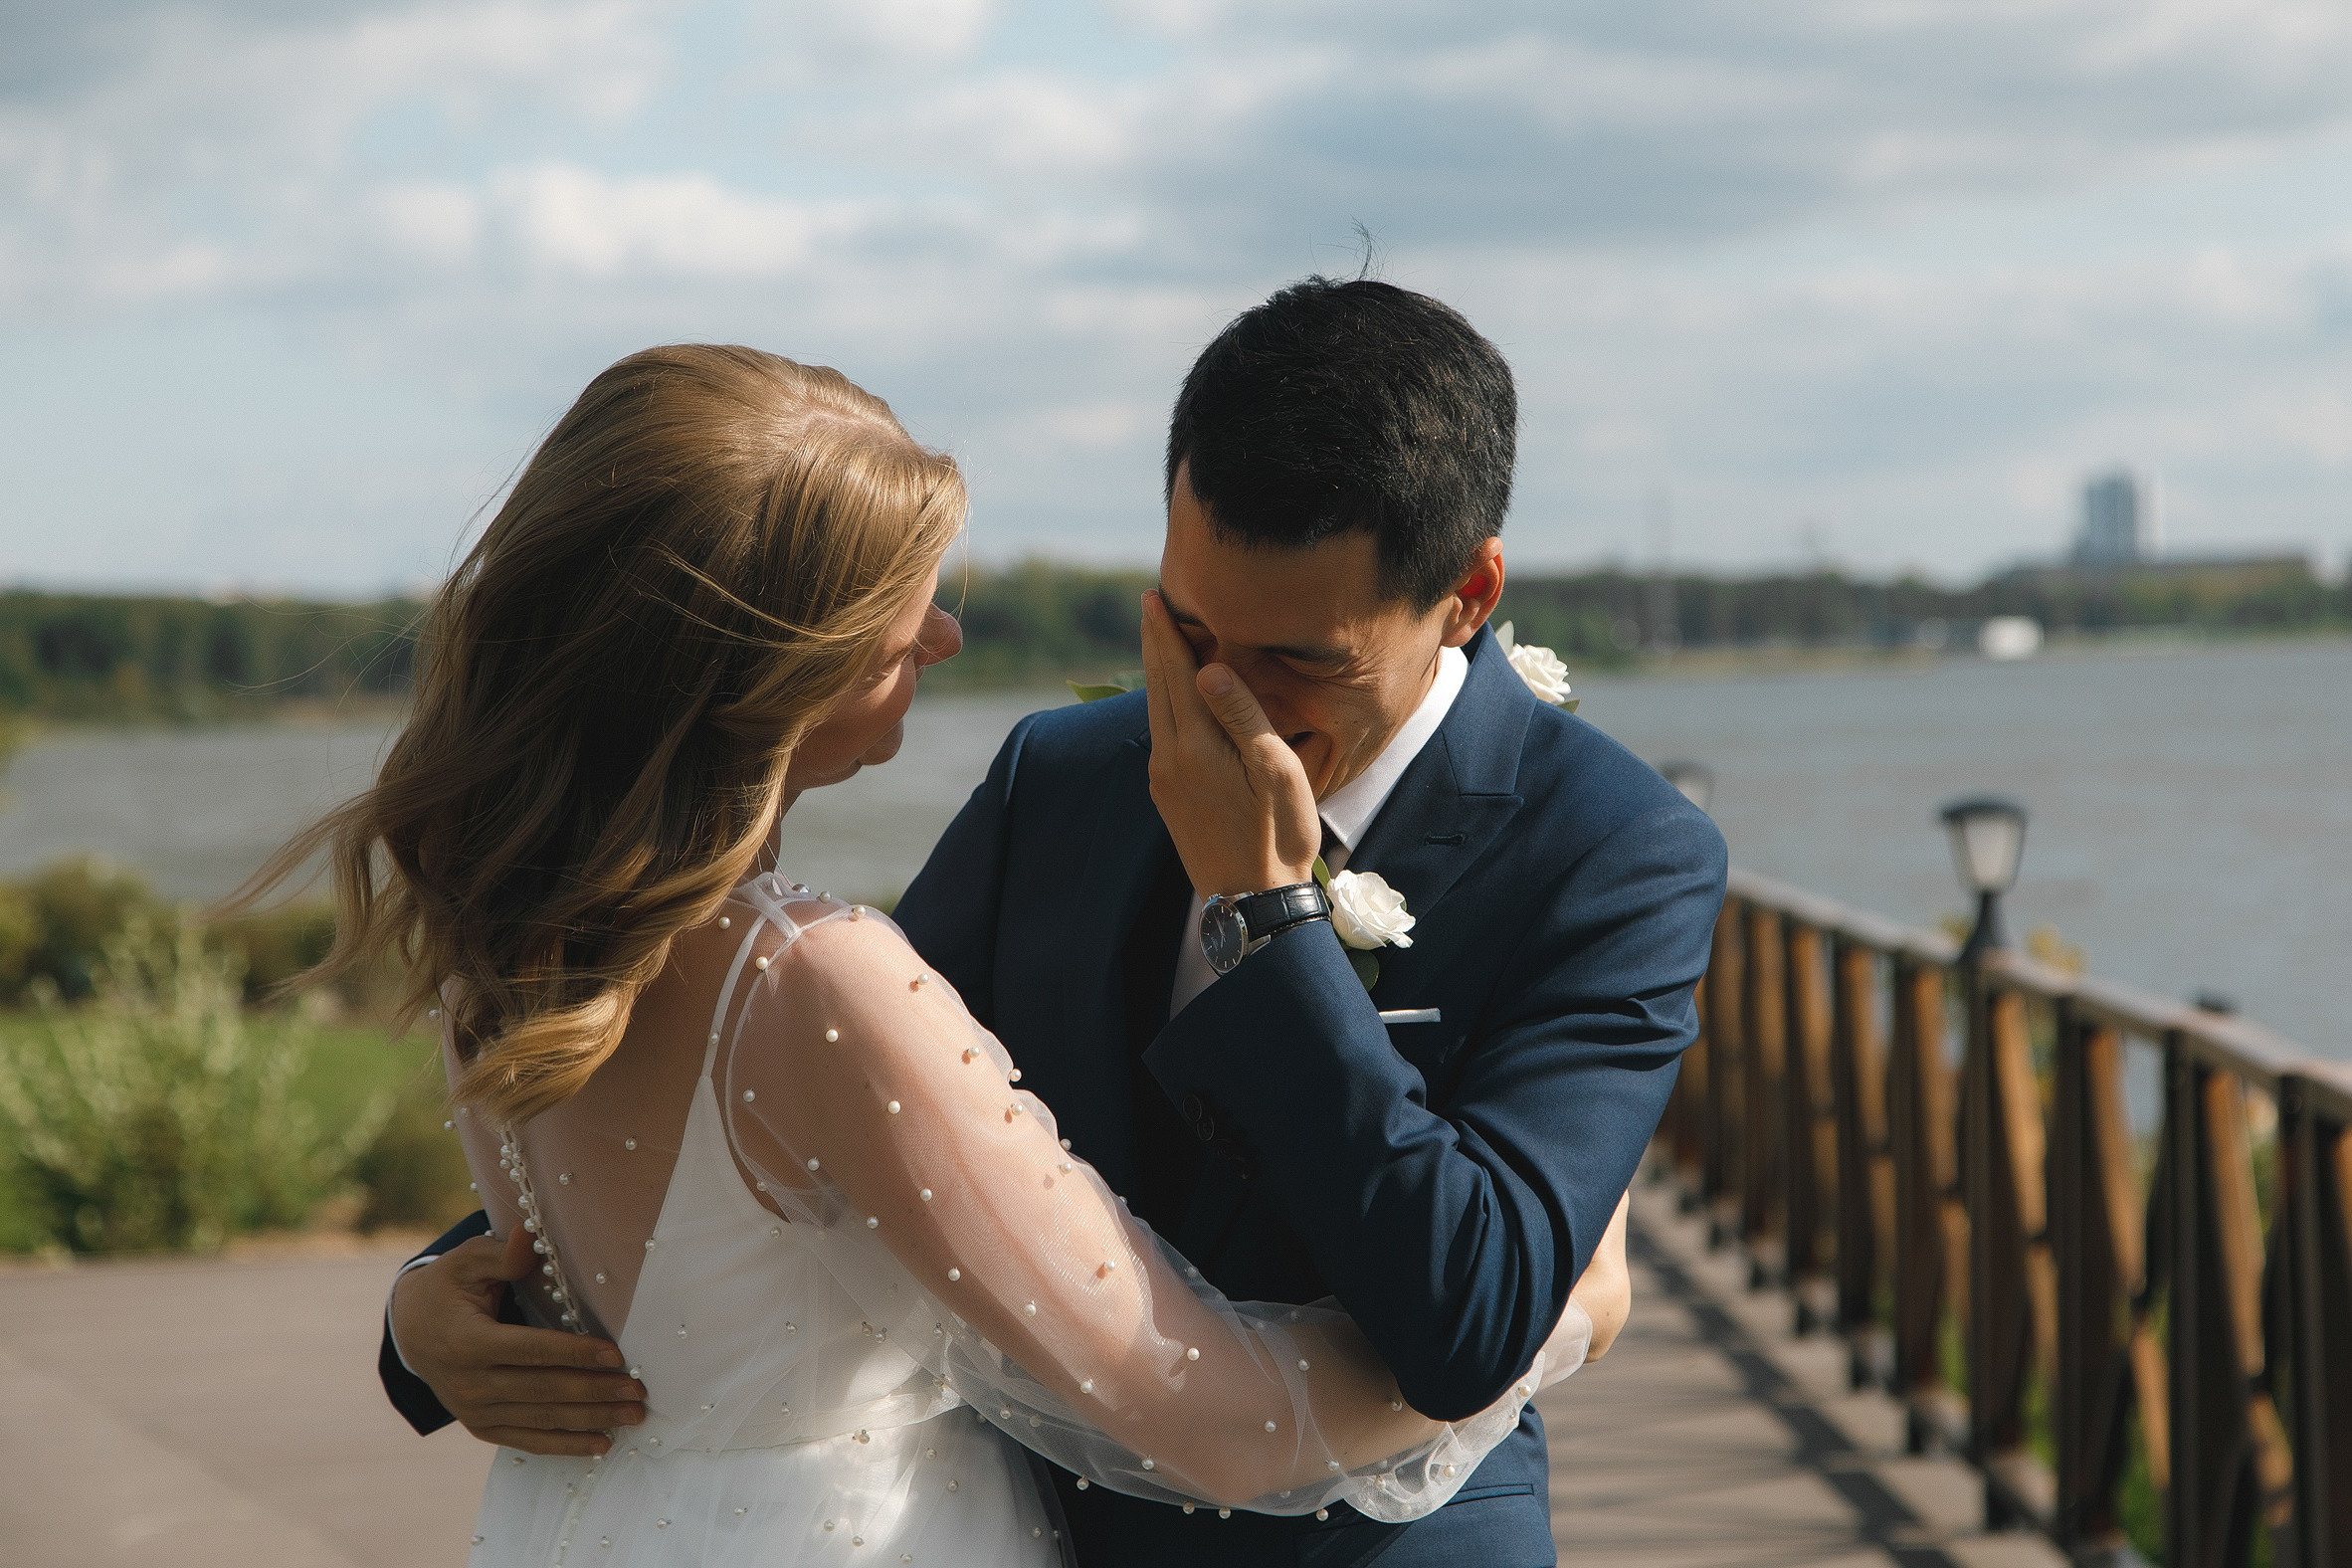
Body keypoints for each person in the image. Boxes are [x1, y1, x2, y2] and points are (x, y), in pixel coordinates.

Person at [384, 280, 1726, 1567]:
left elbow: (1468, 1324)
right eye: (1188, 627)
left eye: (1298, 660)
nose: (1221, 701)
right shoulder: (1060, 779)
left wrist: (1269, 924)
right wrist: (435, 1306)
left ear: (1469, 596)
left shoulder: (1614, 855)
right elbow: (786, 1118)